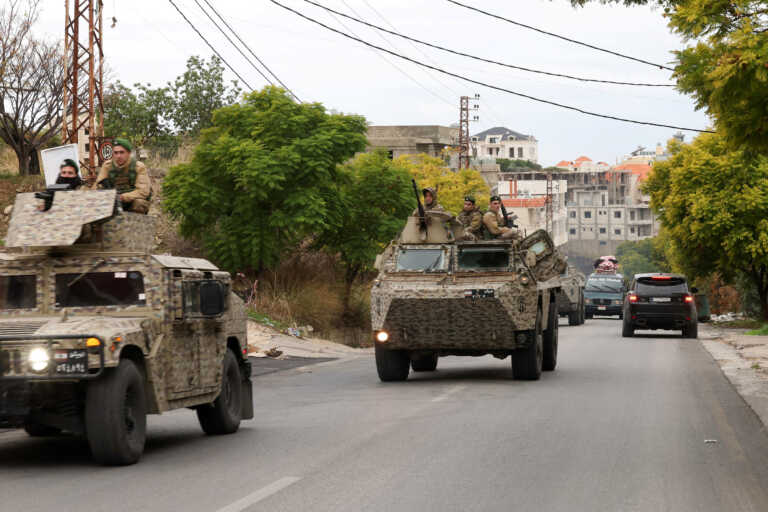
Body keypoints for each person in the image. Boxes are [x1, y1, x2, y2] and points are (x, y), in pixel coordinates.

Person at [93, 138, 151, 214]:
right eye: (116, 153)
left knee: (139, 203)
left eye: (122, 152)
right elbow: (97, 186)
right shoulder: (107, 166)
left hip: (132, 201)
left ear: (129, 153)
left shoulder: (138, 167)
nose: (118, 156)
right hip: (113, 201)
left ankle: (136, 224)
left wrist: (121, 197)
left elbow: (143, 192)